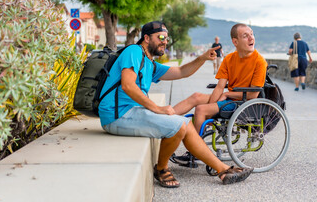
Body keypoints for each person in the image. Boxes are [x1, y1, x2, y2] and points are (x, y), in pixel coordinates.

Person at [98, 21, 253, 188]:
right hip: (117, 115)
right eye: (161, 37)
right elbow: (128, 85)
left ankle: (222, 170)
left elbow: (181, 72)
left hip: (131, 112)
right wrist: (157, 108)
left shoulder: (149, 62)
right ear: (147, 38)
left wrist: (201, 58)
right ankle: (161, 168)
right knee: (178, 125)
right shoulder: (134, 51)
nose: (165, 41)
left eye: (167, 38)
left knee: (185, 123)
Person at [172, 23, 267, 160]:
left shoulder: (259, 62)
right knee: (196, 97)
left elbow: (253, 95)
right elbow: (220, 87)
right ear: (235, 41)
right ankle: (166, 117)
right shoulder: (229, 59)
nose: (251, 38)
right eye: (245, 36)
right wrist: (212, 105)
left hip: (242, 102)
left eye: (251, 34)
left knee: (200, 110)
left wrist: (226, 95)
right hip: (228, 99)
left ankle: (195, 153)